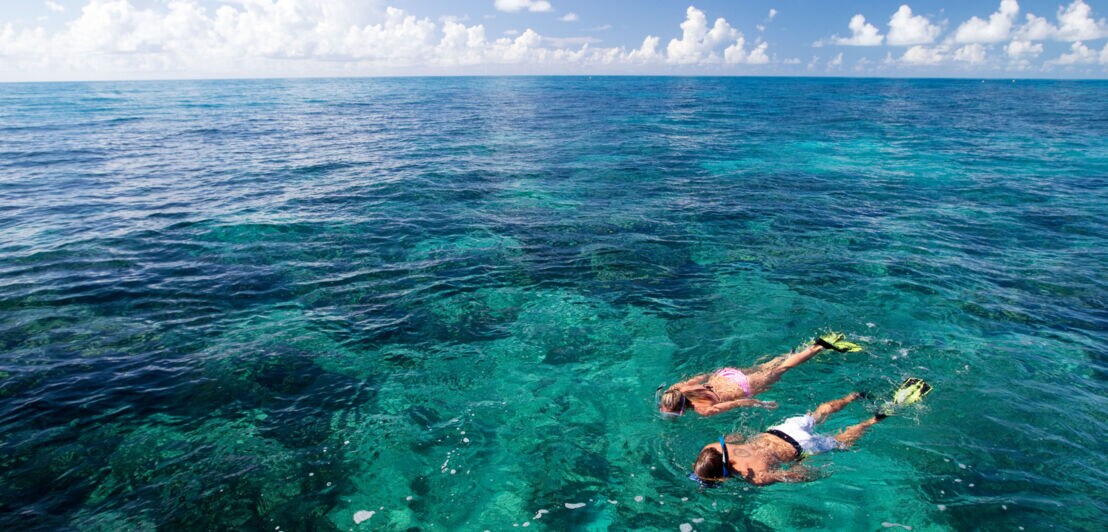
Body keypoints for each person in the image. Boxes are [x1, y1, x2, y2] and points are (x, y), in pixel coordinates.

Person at [688, 378, 932, 487]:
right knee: (818, 413)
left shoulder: (757, 478)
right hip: (781, 430)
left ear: (721, 477)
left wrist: (814, 472)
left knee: (840, 441)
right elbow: (736, 437)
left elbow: (793, 475)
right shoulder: (713, 447)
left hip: (800, 447)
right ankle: (855, 395)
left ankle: (876, 418)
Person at [657, 332, 862, 417]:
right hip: (725, 375)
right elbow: (702, 376)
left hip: (742, 387)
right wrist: (714, 376)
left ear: (682, 411)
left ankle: (818, 347)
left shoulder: (704, 410)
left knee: (783, 369)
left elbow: (738, 403)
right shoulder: (678, 388)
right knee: (766, 367)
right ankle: (792, 353)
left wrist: (762, 404)